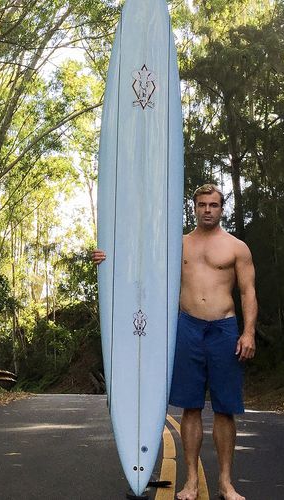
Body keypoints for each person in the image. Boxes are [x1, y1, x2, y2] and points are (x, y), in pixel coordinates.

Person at [93, 183, 257, 500]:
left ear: (222, 209)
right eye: (202, 205)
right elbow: (140, 265)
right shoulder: (176, 245)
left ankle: (225, 482)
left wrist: (248, 332)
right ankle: (191, 481)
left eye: (213, 205)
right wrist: (106, 258)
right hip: (187, 327)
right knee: (190, 407)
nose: (207, 210)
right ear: (193, 208)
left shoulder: (237, 247)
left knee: (225, 410)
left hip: (224, 329)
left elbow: (248, 292)